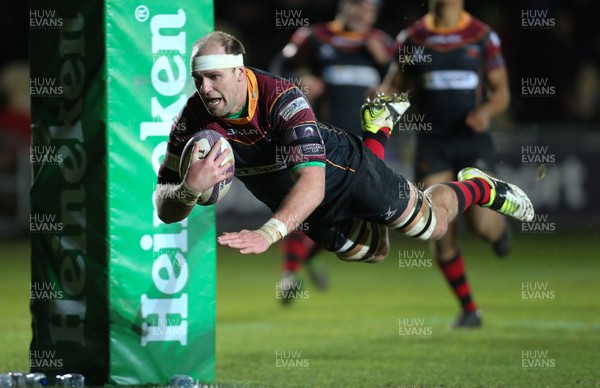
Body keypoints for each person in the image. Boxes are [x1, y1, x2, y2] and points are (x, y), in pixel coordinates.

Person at [155, 32, 533, 286]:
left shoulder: (282, 98)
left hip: (345, 171)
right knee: (374, 252)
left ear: (239, 72)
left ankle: (479, 187)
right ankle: (379, 129)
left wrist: (268, 233)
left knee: (430, 228)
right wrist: (188, 191)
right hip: (307, 207)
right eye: (198, 80)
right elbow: (163, 204)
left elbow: (312, 184)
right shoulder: (192, 120)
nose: (205, 89)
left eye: (214, 78)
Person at [380, 0, 512, 328]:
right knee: (437, 228)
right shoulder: (412, 37)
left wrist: (486, 112)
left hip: (472, 140)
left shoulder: (480, 36)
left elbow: (501, 93)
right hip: (433, 143)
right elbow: (396, 86)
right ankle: (469, 309)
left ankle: (498, 233)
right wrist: (381, 97)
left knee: (482, 226)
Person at [269, 0, 397, 301]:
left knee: (351, 217)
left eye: (370, 9)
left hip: (367, 143)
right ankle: (289, 274)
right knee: (305, 203)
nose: (363, 13)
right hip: (320, 138)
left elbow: (405, 84)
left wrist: (386, 67)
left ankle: (309, 255)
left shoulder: (382, 45)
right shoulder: (314, 37)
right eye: (358, 5)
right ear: (345, 6)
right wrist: (300, 82)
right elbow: (275, 74)